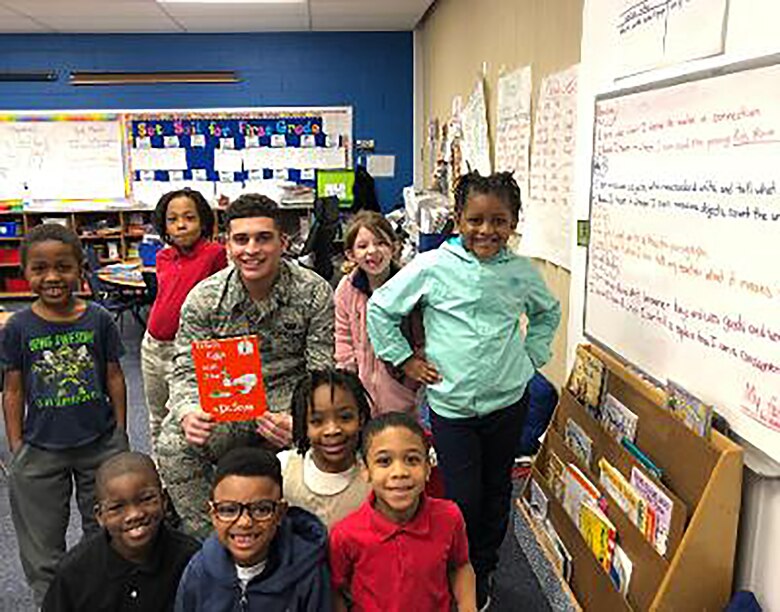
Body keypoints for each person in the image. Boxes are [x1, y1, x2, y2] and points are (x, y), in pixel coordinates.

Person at [367, 171, 561, 609]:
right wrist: (404, 359)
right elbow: (381, 309)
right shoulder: (434, 266)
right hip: (452, 407)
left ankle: (485, 569)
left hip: (508, 403)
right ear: (457, 219)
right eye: (475, 219)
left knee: (496, 494)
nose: (487, 230)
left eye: (499, 220)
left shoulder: (520, 273)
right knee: (460, 499)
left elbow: (548, 313)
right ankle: (455, 567)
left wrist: (531, 357)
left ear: (513, 223)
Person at [157, 193, 334, 539]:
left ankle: (307, 542)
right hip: (229, 402)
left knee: (332, 434)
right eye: (241, 239)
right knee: (174, 444)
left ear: (283, 242)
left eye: (263, 238)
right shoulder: (205, 299)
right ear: (226, 245)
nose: (251, 249)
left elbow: (322, 372)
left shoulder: (314, 292)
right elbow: (185, 370)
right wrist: (188, 411)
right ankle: (212, 543)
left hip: (289, 401)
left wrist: (303, 419)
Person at [1, 223, 130, 604]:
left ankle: (103, 596)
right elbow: (13, 388)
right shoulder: (18, 326)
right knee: (42, 544)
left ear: (80, 269)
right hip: (40, 447)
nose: (53, 277)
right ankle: (52, 601)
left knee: (106, 531)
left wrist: (120, 433)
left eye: (63, 266)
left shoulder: (98, 319)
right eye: (39, 268)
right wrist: (17, 447)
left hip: (99, 442)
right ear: (25, 273)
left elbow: (114, 377)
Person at [329, 412, 476, 612]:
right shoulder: (345, 535)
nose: (399, 472)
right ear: (366, 470)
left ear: (427, 468)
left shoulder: (449, 517)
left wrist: (468, 607)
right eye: (384, 461)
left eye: (412, 460)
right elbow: (334, 589)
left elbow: (460, 565)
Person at [174, 447, 332, 611]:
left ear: (280, 513)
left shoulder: (309, 573)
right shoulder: (199, 571)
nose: (244, 522)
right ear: (213, 514)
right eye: (229, 510)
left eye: (261, 510)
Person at [41, 452, 200, 612]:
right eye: (117, 507)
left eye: (146, 499)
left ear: (163, 500)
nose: (134, 514)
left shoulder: (191, 559)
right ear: (100, 516)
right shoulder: (74, 572)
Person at [142, 188, 227, 456]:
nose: (181, 225)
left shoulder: (216, 254)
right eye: (172, 219)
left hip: (191, 351)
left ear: (203, 221)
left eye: (189, 217)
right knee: (157, 416)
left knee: (193, 417)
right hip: (154, 346)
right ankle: (160, 477)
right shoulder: (163, 257)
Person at [334, 211, 422, 416]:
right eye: (362, 246)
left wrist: (410, 385)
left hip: (402, 393)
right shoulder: (346, 289)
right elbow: (343, 338)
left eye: (381, 243)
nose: (372, 251)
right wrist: (347, 384)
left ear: (394, 247)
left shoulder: (410, 287)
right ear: (350, 254)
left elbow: (420, 340)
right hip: (361, 393)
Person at [278, 369, 371, 528]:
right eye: (317, 421)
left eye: (345, 418)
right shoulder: (283, 468)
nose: (332, 430)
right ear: (303, 424)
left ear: (361, 419)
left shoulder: (375, 476)